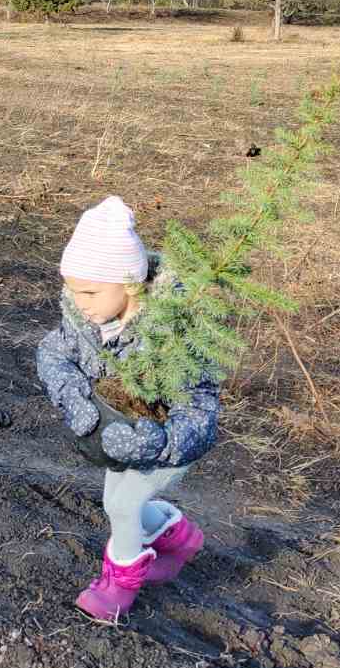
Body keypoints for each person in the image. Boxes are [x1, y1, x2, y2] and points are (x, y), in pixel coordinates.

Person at [35, 196, 219, 622]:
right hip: (118, 432)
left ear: (131, 284)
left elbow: (201, 408)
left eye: (90, 291)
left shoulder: (174, 333)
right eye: (73, 290)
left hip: (165, 440)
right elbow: (52, 353)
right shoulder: (87, 322)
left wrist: (157, 441)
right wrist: (73, 394)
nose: (79, 302)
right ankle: (178, 537)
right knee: (113, 499)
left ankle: (119, 588)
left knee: (121, 506)